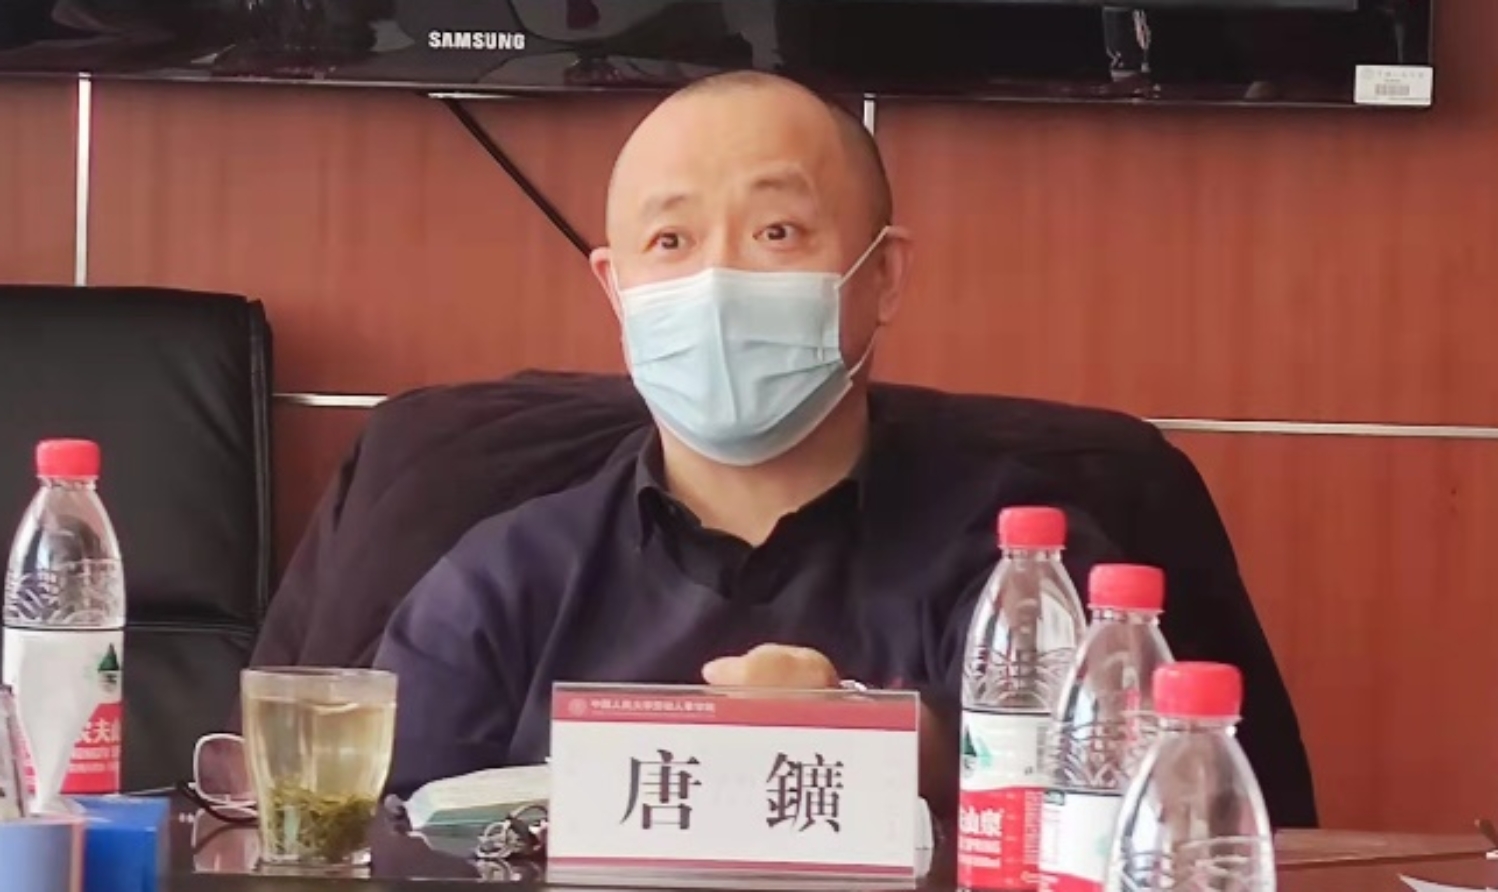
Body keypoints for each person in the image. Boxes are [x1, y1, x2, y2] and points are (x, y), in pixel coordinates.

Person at [371, 72, 1304, 823]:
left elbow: (1144, 819)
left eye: (777, 232)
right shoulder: (499, 585)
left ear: (883, 275)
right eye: (671, 239)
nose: (718, 280)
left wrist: (890, 743)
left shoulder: (1021, 575)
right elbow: (377, 842)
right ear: (617, 290)